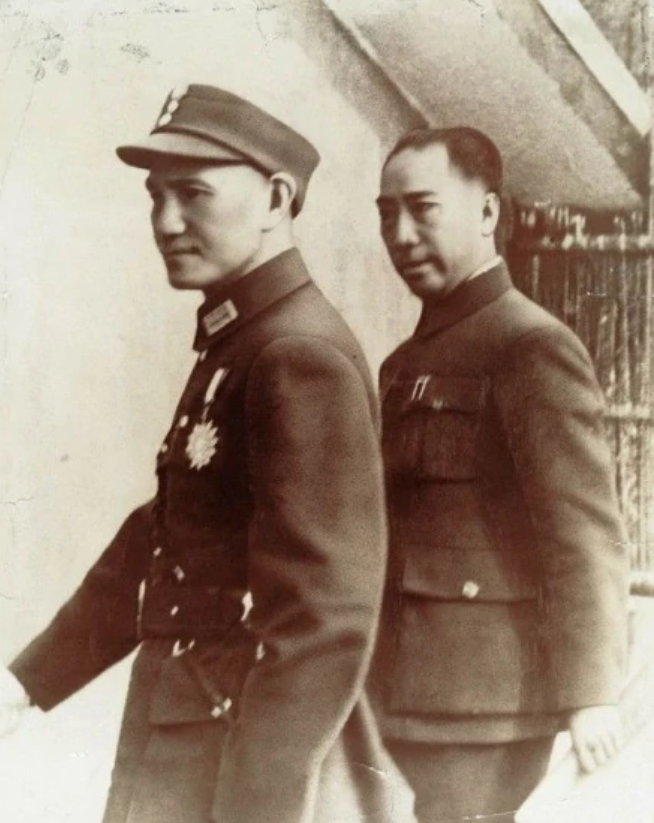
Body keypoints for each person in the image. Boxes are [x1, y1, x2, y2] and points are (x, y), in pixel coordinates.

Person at [0, 84, 394, 823]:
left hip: (233, 762)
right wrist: (23, 684)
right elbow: (170, 533)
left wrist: (257, 808)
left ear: (275, 199)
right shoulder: (240, 342)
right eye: (156, 196)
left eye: (193, 194)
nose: (165, 221)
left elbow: (323, 622)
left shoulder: (295, 353)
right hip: (186, 734)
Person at [369, 126, 630, 822]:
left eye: (422, 208)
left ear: (488, 212)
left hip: (486, 708)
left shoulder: (530, 345)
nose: (400, 234)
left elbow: (583, 531)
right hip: (399, 695)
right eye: (387, 214)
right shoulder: (403, 365)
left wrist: (591, 693)